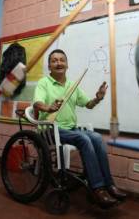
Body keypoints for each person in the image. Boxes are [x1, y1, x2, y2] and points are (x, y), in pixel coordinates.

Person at [33, 49, 126, 209]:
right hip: (50, 130)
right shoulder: (44, 83)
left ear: (67, 65)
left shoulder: (72, 86)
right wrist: (49, 108)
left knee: (96, 137)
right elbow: (37, 103)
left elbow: (88, 105)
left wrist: (98, 98)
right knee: (83, 139)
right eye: (54, 60)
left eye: (62, 60)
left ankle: (109, 185)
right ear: (49, 66)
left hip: (70, 129)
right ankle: (97, 189)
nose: (58, 63)